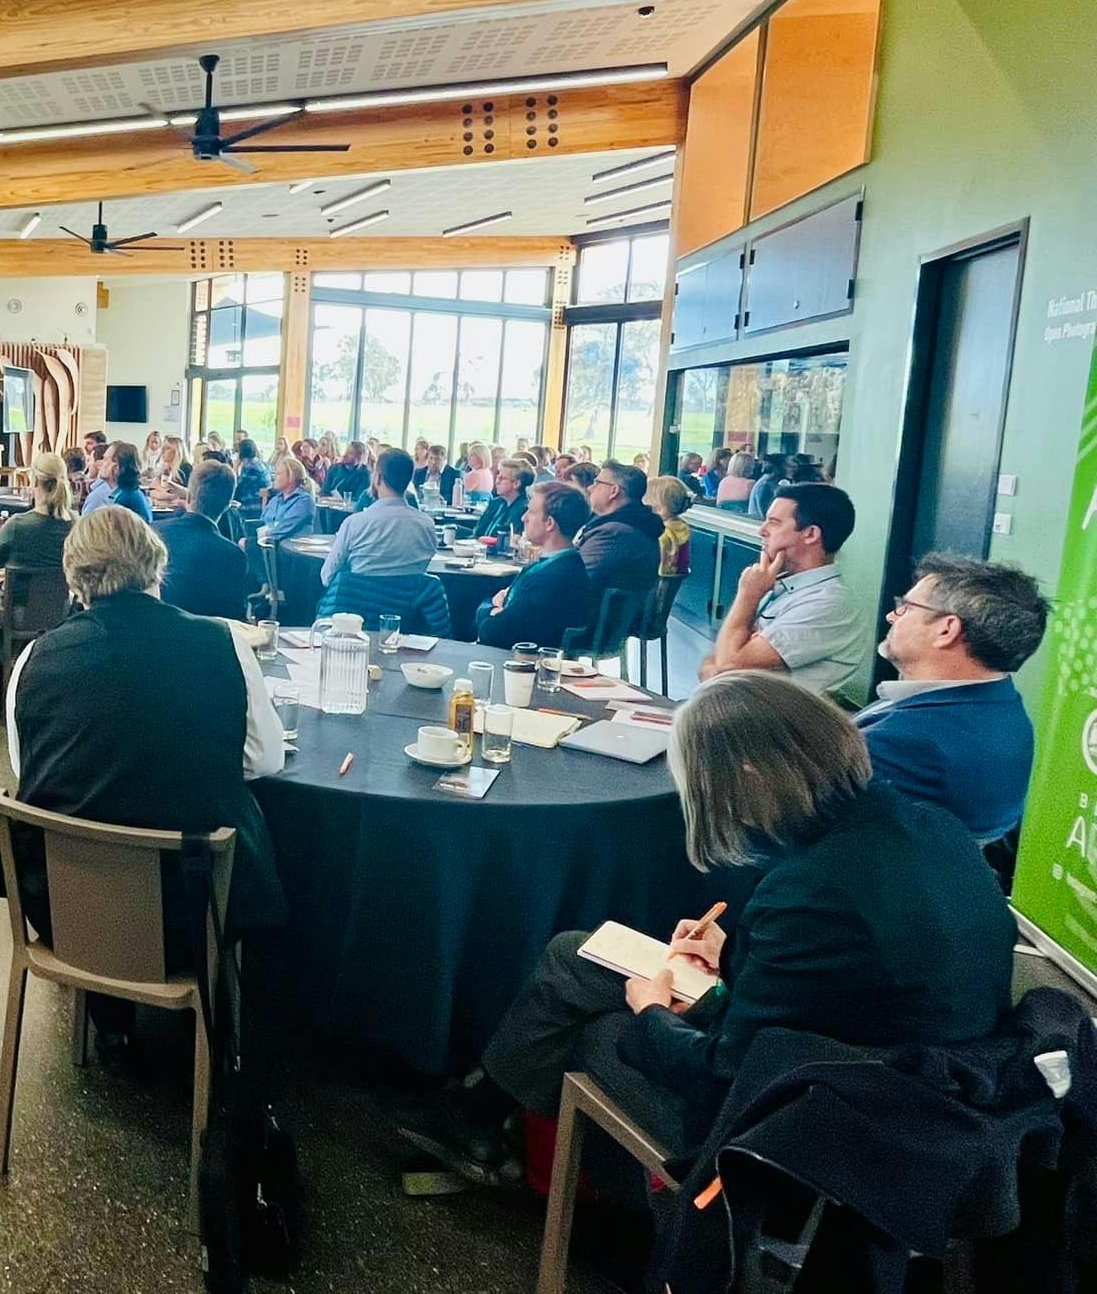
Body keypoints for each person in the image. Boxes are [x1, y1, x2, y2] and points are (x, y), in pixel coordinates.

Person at [403, 673, 1015, 1182]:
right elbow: (845, 977)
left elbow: (723, 1074)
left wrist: (650, 1013)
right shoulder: (931, 828)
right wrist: (732, 957)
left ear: (747, 777)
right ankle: (492, 1120)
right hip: (917, 1075)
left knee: (598, 1032)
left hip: (817, 1120)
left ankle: (583, 1185)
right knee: (579, 955)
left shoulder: (809, 892)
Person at [0, 506, 286, 936]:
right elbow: (265, 761)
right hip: (193, 910)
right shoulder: (224, 645)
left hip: (67, 908)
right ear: (157, 563)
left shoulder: (33, 659)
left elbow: (28, 768)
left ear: (74, 581)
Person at [859, 553, 1046, 843]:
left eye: (906, 608)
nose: (891, 616)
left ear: (947, 630)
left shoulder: (904, 743)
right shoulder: (1004, 705)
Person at [701, 482, 862, 694]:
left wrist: (747, 597)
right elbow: (714, 661)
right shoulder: (778, 586)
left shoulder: (830, 602)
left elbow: (728, 664)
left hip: (771, 723)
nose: (762, 530)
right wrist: (725, 661)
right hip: (731, 708)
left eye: (774, 523)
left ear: (811, 534)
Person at [474, 482, 592, 649]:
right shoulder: (560, 566)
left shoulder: (554, 578)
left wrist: (489, 609)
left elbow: (493, 632)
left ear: (549, 523)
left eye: (531, 512)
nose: (524, 518)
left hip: (522, 665)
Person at [319, 447, 438, 585]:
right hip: (408, 605)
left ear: (378, 478)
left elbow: (327, 577)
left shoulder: (355, 524)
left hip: (360, 603)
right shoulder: (427, 526)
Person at [157, 461, 251, 622]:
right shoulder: (232, 555)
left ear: (187, 496)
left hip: (149, 632)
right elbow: (233, 620)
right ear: (228, 505)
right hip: (203, 640)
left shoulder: (153, 533)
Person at [573, 461, 662, 598]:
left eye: (597, 483)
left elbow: (574, 577)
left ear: (613, 491)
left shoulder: (614, 533)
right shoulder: (634, 523)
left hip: (590, 615)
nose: (590, 488)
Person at [0, 452, 76, 572]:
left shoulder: (17, 525)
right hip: (63, 590)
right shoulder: (77, 525)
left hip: (17, 590)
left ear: (35, 481)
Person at [81, 442, 153, 523]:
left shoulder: (124, 499)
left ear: (116, 467)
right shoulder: (129, 493)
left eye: (105, 459)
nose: (101, 463)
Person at [257, 455, 318, 544]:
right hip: (268, 545)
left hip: (289, 549)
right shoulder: (275, 500)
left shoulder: (304, 501)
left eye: (278, 474)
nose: (274, 478)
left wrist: (263, 533)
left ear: (291, 477)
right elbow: (261, 522)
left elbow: (283, 529)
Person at [472, 462, 533, 540]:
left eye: (502, 478)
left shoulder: (524, 509)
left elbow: (511, 540)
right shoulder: (496, 503)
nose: (497, 481)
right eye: (498, 477)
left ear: (516, 483)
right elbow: (478, 532)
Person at [648, 474, 693, 577]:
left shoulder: (662, 534)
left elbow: (658, 571)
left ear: (659, 509)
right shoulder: (682, 526)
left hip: (655, 588)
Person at [410, 444, 461, 508]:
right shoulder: (419, 473)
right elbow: (414, 493)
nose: (433, 462)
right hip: (421, 509)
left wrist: (440, 500)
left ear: (444, 459)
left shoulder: (454, 474)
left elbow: (454, 498)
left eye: (437, 459)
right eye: (431, 458)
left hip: (443, 509)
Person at [232, 438, 272, 508]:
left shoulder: (251, 468)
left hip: (251, 506)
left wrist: (235, 467)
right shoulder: (259, 463)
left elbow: (236, 489)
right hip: (260, 503)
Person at [746, 454, 787, 519]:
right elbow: (766, 514)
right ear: (778, 467)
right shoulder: (765, 485)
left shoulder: (772, 483)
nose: (793, 469)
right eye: (788, 466)